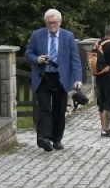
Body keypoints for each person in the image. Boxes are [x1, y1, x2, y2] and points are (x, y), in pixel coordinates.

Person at [24, 9, 85, 152]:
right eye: (49, 23)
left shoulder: (68, 36)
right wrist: (37, 59)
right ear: (45, 23)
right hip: (43, 77)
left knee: (59, 109)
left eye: (54, 23)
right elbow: (28, 53)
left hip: (60, 77)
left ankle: (56, 138)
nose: (52, 26)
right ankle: (43, 138)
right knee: (45, 108)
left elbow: (75, 59)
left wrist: (78, 79)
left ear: (60, 22)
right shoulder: (37, 35)